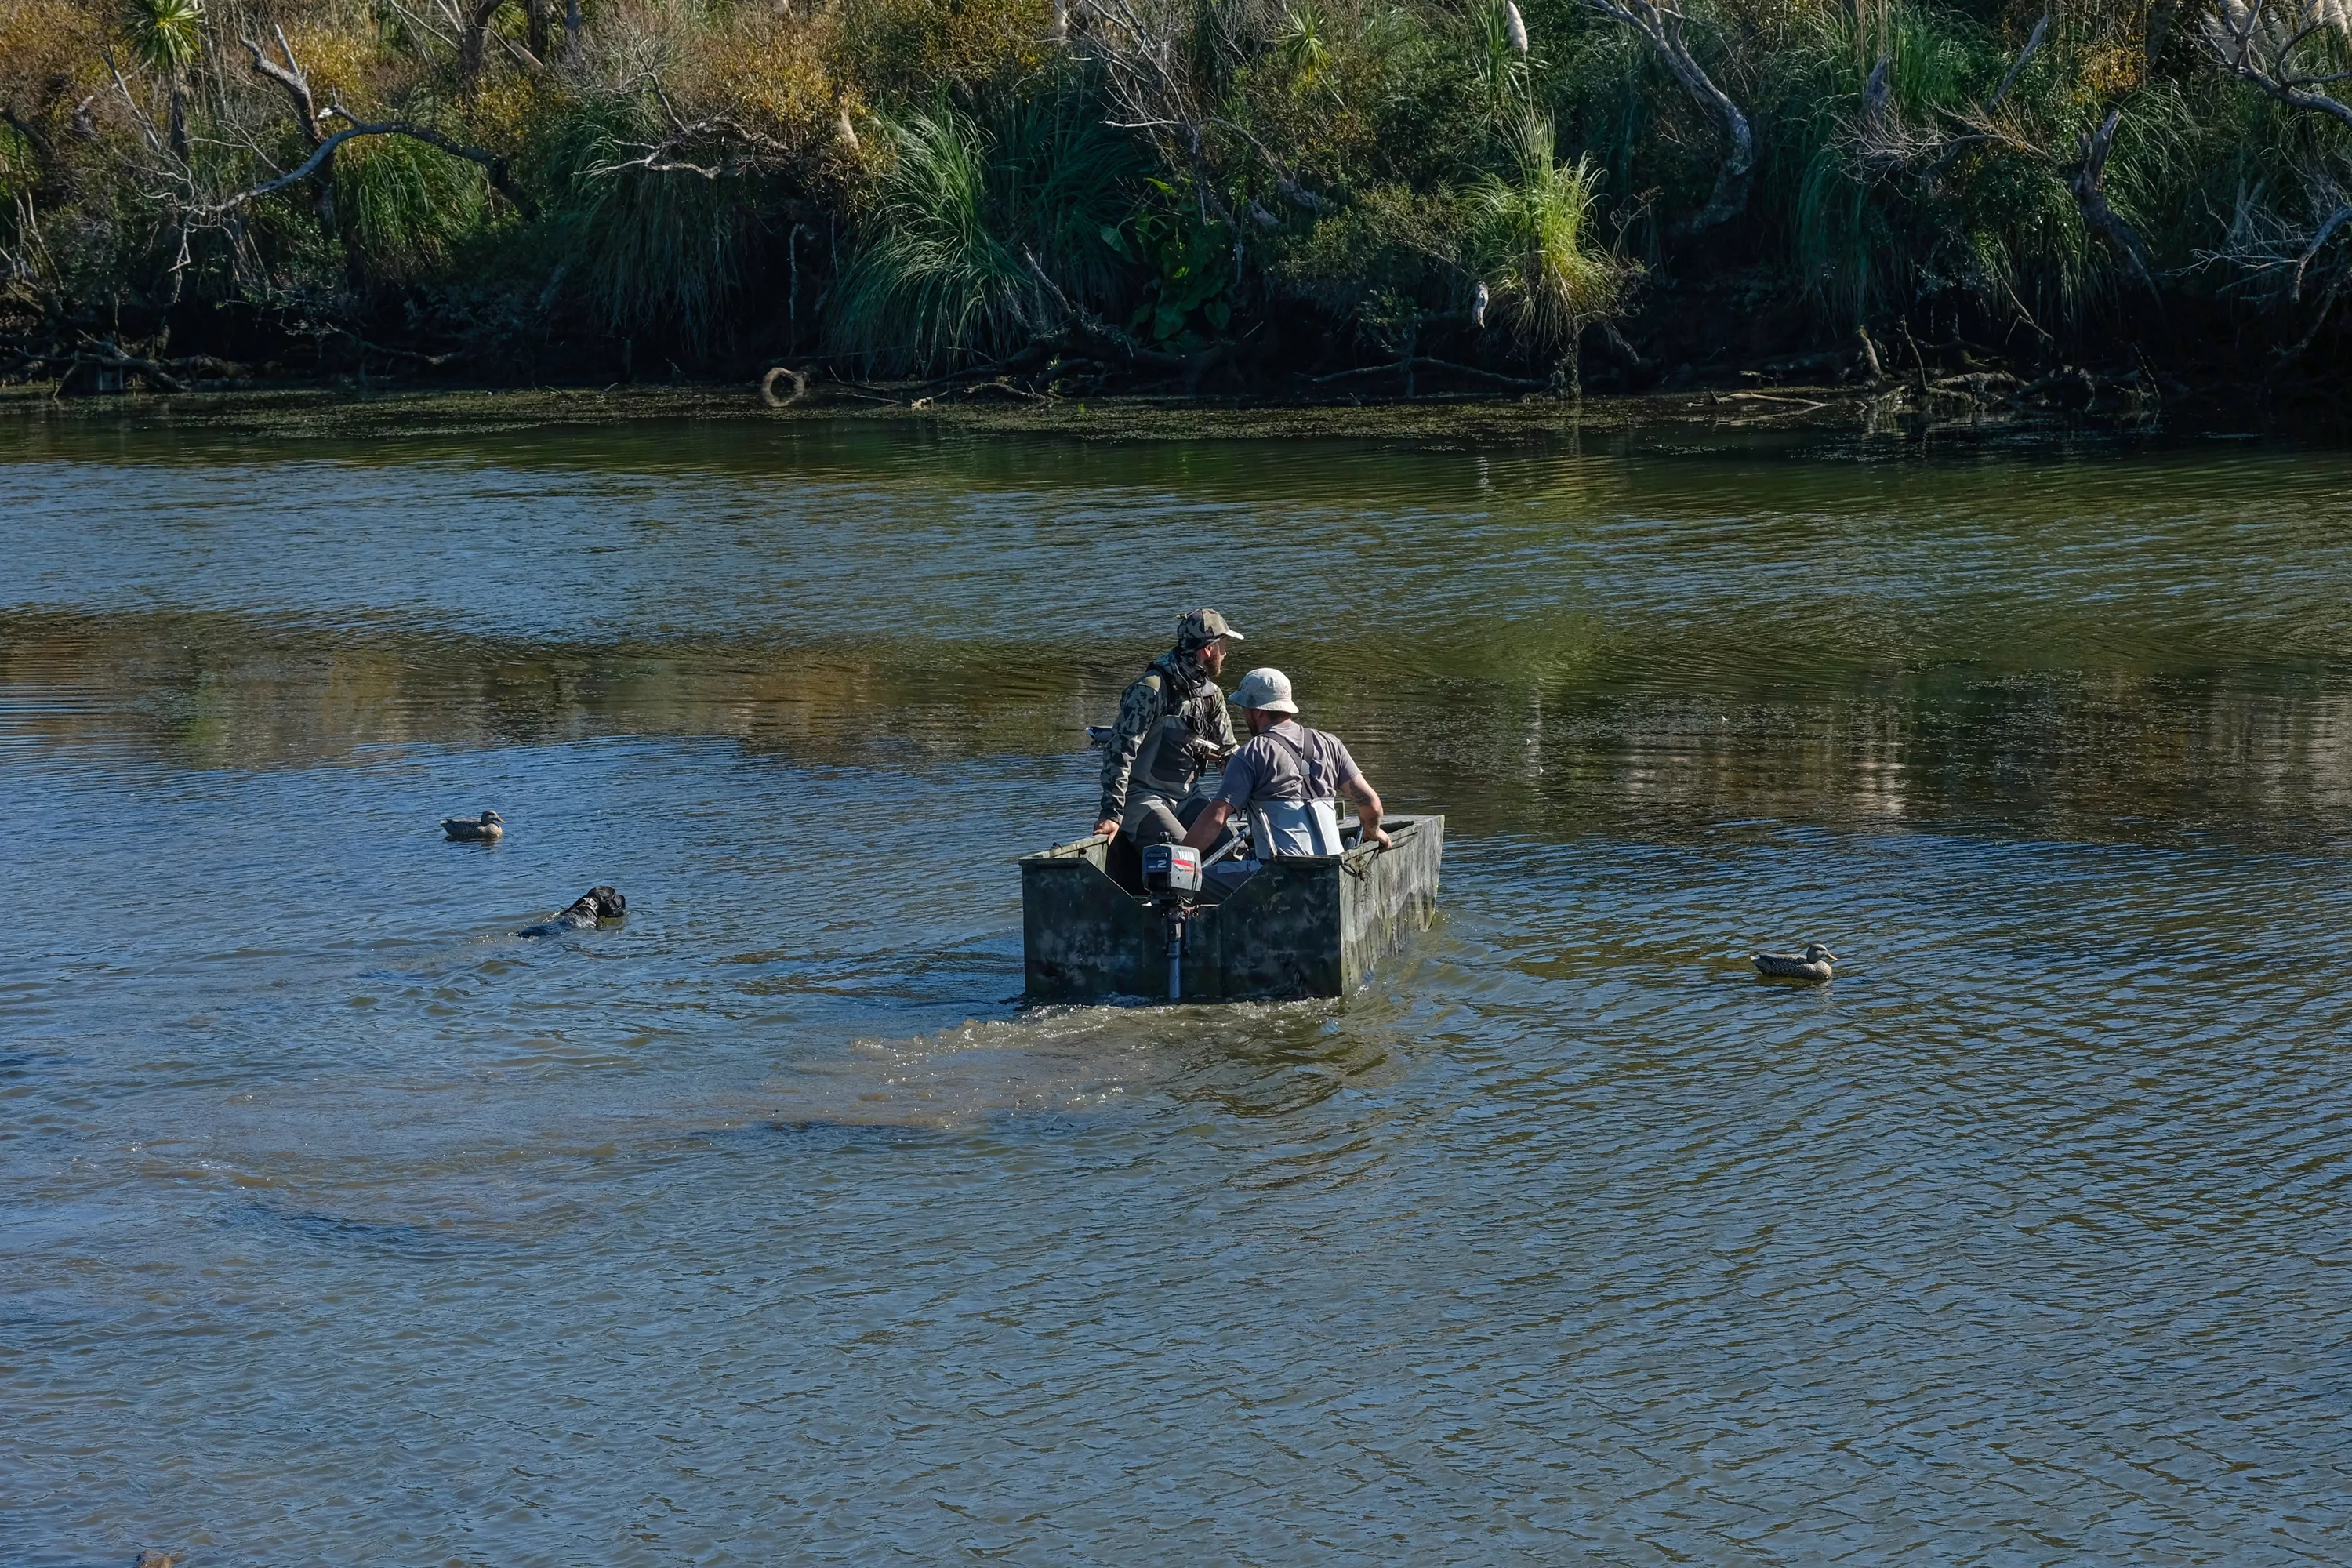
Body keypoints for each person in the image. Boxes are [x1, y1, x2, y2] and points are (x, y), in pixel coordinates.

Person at [1181, 667, 1390, 869]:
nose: (1244, 714)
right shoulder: (1330, 744)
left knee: (1200, 881)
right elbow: (1372, 806)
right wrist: (1373, 831)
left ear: (1257, 712)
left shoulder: (1252, 753)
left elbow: (1216, 818)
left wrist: (1180, 860)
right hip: (1334, 868)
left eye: (1244, 709)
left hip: (1279, 874)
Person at [1093, 609, 1245, 846]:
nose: (1225, 654)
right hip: (1144, 798)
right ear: (1209, 649)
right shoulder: (1150, 690)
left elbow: (1229, 754)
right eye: (1224, 645)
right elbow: (1119, 753)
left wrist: (1246, 797)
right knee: (1183, 859)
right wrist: (1111, 813)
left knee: (1233, 846)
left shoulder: (1211, 695)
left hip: (1189, 797)